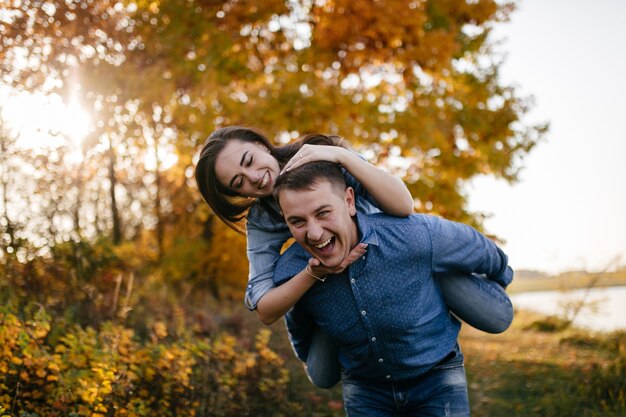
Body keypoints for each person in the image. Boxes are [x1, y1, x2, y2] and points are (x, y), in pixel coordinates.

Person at [194, 126, 513, 388]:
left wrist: (340, 155)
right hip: (341, 289)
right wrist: (316, 273)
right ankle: (340, 319)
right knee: (320, 375)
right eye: (239, 182)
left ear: (261, 144)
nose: (254, 177)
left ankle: (428, 299)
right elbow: (265, 307)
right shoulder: (262, 220)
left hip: (398, 268)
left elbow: (403, 207)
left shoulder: (324, 158)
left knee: (496, 317)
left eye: (249, 160)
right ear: (240, 194)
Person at [272, 161, 514, 416]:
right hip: (365, 386)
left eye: (323, 213)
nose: (314, 233)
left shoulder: (412, 235)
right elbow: (300, 329)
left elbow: (479, 249)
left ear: (349, 201)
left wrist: (500, 280)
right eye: (297, 221)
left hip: (436, 374)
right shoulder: (291, 271)